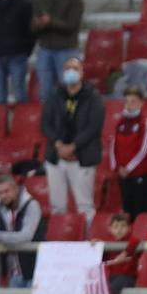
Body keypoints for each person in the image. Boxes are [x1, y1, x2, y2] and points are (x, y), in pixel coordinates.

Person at [41, 55, 104, 223]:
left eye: (75, 68)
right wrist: (58, 144)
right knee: (57, 206)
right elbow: (45, 123)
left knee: (84, 205)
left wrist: (73, 147)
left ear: (82, 72)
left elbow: (94, 126)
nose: (71, 72)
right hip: (56, 157)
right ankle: (59, 242)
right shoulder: (55, 95)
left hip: (82, 157)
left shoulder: (93, 97)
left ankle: (87, 242)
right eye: (67, 68)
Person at [31, 0, 84, 101]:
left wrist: (50, 22)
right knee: (45, 93)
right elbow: (34, 26)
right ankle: (49, 121)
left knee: (70, 90)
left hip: (67, 51)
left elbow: (72, 25)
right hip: (45, 50)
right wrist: (38, 24)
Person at [0, 172, 45, 288]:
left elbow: (26, 236)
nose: (3, 196)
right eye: (0, 193)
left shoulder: (32, 205)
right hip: (14, 272)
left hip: (35, 270)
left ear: (16, 189)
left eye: (6, 191)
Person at [86, 212, 141, 294]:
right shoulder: (108, 243)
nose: (119, 230)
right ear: (110, 229)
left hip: (127, 277)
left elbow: (136, 240)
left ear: (129, 228)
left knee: (113, 287)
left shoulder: (130, 241)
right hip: (112, 276)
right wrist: (97, 243)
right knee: (103, 287)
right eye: (116, 227)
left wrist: (125, 253)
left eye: (122, 226)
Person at [110, 88, 147, 214]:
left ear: (141, 103)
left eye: (133, 101)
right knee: (127, 213)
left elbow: (144, 149)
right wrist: (116, 167)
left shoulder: (146, 122)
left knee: (141, 214)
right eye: (127, 101)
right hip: (123, 177)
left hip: (140, 177)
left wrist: (128, 168)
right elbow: (113, 146)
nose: (129, 104)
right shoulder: (120, 122)